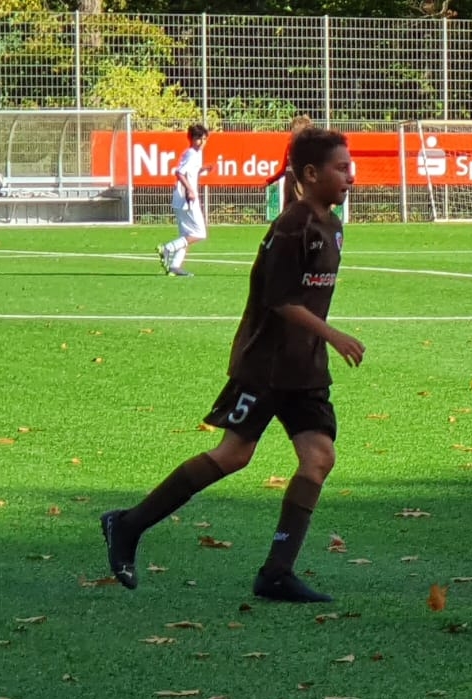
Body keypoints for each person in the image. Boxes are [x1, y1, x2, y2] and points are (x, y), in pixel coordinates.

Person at [103, 127, 363, 603]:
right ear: (311, 173)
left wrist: (319, 343)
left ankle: (276, 574)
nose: (352, 175)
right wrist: (333, 334)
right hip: (266, 366)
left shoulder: (332, 225)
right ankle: (128, 524)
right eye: (341, 167)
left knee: (318, 458)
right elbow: (279, 300)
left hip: (304, 368)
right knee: (233, 455)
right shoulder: (292, 227)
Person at [158, 124, 210, 277]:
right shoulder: (192, 154)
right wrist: (190, 190)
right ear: (191, 139)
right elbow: (179, 173)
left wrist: (202, 169)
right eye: (198, 138)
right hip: (187, 199)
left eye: (204, 139)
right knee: (200, 233)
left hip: (180, 199)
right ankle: (168, 248)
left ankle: (175, 266)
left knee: (186, 235)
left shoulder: (194, 154)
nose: (202, 142)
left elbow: (188, 172)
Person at [265, 115, 314, 213]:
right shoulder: (290, 146)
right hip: (289, 185)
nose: (292, 132)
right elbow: (284, 169)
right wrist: (270, 180)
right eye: (293, 129)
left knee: (303, 212)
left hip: (301, 185)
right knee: (286, 214)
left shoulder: (310, 148)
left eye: (295, 130)